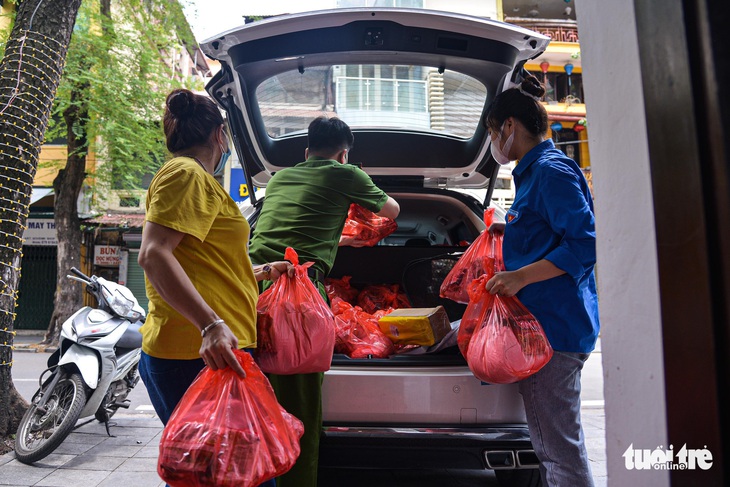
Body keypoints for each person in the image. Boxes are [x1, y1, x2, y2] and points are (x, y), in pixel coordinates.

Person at [137, 88, 292, 487]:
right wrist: (209, 324)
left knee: (220, 476)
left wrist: (259, 271)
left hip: (208, 351)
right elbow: (154, 255)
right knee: (238, 477)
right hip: (197, 352)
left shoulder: (199, 181)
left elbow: (204, 262)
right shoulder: (185, 173)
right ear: (220, 134)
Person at [248, 115, 400, 487]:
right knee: (299, 403)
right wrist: (356, 188)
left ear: (305, 151)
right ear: (343, 154)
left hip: (249, 285)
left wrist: (341, 239)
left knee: (258, 394)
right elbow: (392, 211)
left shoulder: (280, 177)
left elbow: (299, 227)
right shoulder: (344, 173)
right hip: (294, 297)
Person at [482, 75, 599, 487]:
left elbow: (585, 245)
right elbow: (545, 234)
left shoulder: (549, 172)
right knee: (555, 447)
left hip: (555, 329)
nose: (496, 142)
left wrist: (519, 277)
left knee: (559, 452)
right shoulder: (535, 174)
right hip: (543, 325)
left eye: (495, 133)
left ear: (509, 127)